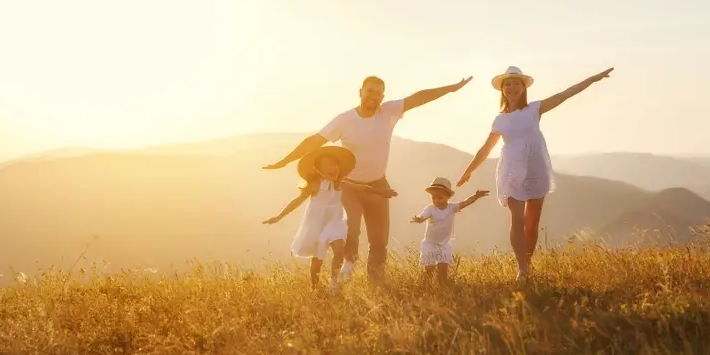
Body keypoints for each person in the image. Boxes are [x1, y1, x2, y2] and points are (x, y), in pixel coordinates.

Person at [263, 75, 473, 283]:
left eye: (379, 93)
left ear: (383, 97)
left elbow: (418, 98)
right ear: (360, 92)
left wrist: (451, 89)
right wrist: (285, 160)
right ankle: (346, 275)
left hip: (378, 184)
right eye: (370, 91)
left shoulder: (388, 112)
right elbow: (315, 141)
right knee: (351, 232)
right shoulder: (344, 120)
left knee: (379, 240)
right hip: (349, 187)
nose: (374, 96)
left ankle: (376, 282)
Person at [457, 65, 614, 282]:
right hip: (511, 170)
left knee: (531, 224)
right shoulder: (499, 120)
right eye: (508, 84)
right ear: (502, 90)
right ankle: (521, 269)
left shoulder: (534, 109)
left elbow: (566, 94)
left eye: (516, 83)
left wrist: (593, 79)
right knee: (517, 218)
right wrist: (468, 171)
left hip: (535, 168)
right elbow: (485, 149)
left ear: (523, 88)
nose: (512, 87)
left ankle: (527, 266)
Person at [263, 145, 397, 292]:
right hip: (316, 224)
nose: (333, 168)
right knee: (317, 259)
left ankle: (334, 284)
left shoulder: (342, 184)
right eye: (327, 166)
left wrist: (382, 191)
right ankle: (314, 286)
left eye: (335, 164)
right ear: (317, 170)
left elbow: (363, 188)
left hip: (335, 222)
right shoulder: (314, 186)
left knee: (339, 252)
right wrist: (279, 216)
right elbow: (296, 201)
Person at [410, 177, 489, 284]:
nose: (436, 200)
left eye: (440, 197)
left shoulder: (452, 208)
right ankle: (425, 286)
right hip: (430, 243)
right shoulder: (430, 209)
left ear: (448, 197)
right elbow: (423, 216)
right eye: (433, 197)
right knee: (429, 268)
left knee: (443, 267)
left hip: (444, 243)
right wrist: (418, 219)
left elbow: (465, 203)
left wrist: (476, 196)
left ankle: (442, 287)